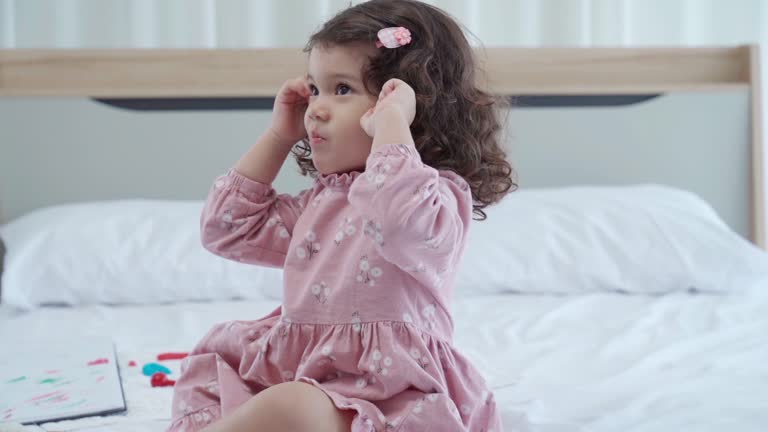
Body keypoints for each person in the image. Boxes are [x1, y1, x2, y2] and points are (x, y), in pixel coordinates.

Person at [168, 1, 515, 430]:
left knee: (292, 407)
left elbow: (399, 222)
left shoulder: (435, 196)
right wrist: (279, 136)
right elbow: (226, 228)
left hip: (390, 395)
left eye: (343, 89)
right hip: (302, 377)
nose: (316, 107)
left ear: (410, 104)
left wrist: (391, 130)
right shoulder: (320, 203)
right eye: (315, 89)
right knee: (224, 376)